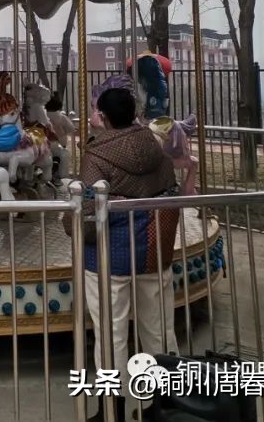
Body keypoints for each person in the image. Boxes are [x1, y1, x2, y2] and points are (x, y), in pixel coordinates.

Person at [76, 85, 180, 420]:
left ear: (103, 117)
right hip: (153, 248)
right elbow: (170, 191)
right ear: (134, 113)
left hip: (109, 256)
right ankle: (161, 403)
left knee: (111, 333)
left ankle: (112, 407)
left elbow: (89, 211)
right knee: (158, 328)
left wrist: (70, 221)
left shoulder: (97, 155)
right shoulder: (156, 145)